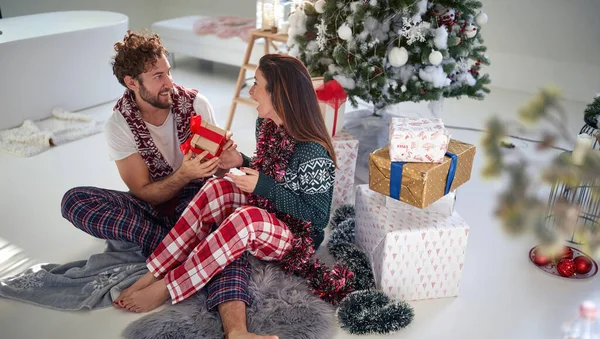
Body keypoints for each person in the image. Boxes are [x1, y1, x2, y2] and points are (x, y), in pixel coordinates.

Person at [117, 54, 336, 334]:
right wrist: (241, 161)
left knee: (245, 219)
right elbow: (271, 171)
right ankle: (155, 271)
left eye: (256, 84)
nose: (250, 91)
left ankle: (168, 287)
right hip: (271, 211)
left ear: (277, 94)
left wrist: (262, 187)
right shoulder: (267, 125)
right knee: (217, 187)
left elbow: (318, 218)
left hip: (298, 237)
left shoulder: (312, 152)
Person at [60, 31, 257, 338]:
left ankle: (233, 325)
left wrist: (224, 157)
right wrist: (183, 174)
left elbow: (217, 181)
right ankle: (188, 249)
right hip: (151, 207)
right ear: (131, 83)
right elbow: (141, 191)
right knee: (74, 200)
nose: (168, 83)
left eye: (168, 72)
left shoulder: (195, 103)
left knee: (222, 221)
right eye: (157, 77)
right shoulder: (119, 123)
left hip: (196, 202)